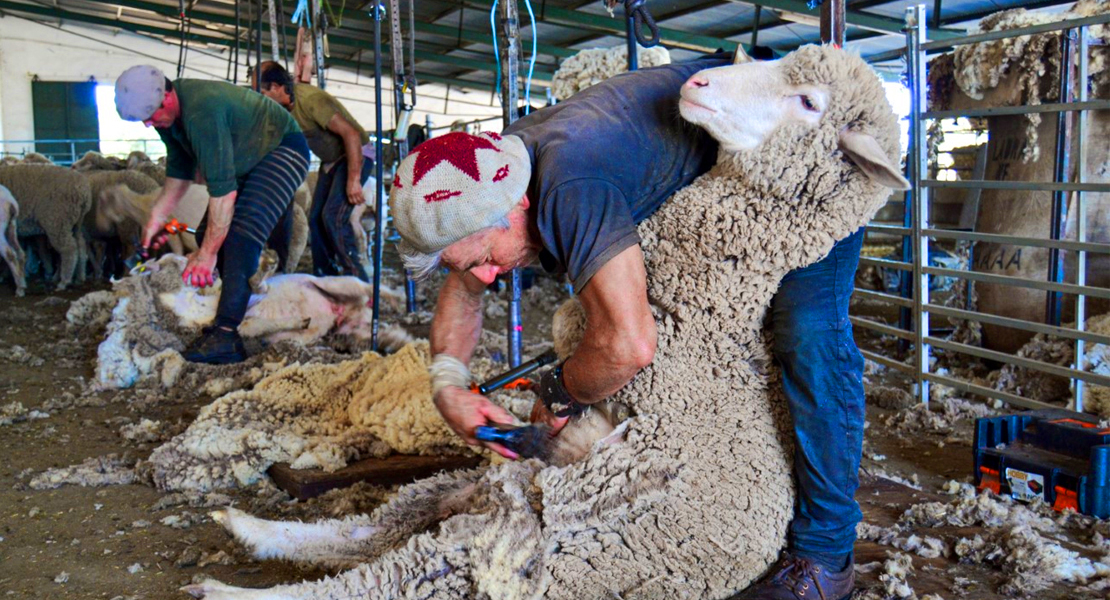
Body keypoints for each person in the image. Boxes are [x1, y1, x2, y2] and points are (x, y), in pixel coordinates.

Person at [388, 51, 863, 600]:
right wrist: (448, 381)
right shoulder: (493, 170)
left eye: (487, 256)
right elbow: (466, 281)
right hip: (719, 168)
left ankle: (826, 553)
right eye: (472, 262)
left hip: (806, 156)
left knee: (807, 331)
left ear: (518, 204)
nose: (488, 274)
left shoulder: (570, 187)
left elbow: (630, 345)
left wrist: (560, 390)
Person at [114, 65, 309, 365]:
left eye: (150, 116)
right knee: (208, 236)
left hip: (282, 149)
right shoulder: (171, 120)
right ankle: (227, 305)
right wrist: (154, 221)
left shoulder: (200, 112)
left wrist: (206, 256)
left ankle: (227, 334)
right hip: (249, 156)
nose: (149, 125)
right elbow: (178, 177)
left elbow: (223, 194)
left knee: (239, 238)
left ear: (166, 97)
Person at [256, 61, 374, 281]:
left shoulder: (311, 100)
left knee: (333, 216)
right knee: (315, 219)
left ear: (275, 87)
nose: (260, 98)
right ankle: (325, 276)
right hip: (331, 161)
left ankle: (358, 280)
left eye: (262, 92)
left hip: (357, 154)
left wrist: (353, 180)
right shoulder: (281, 110)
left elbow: (351, 135)